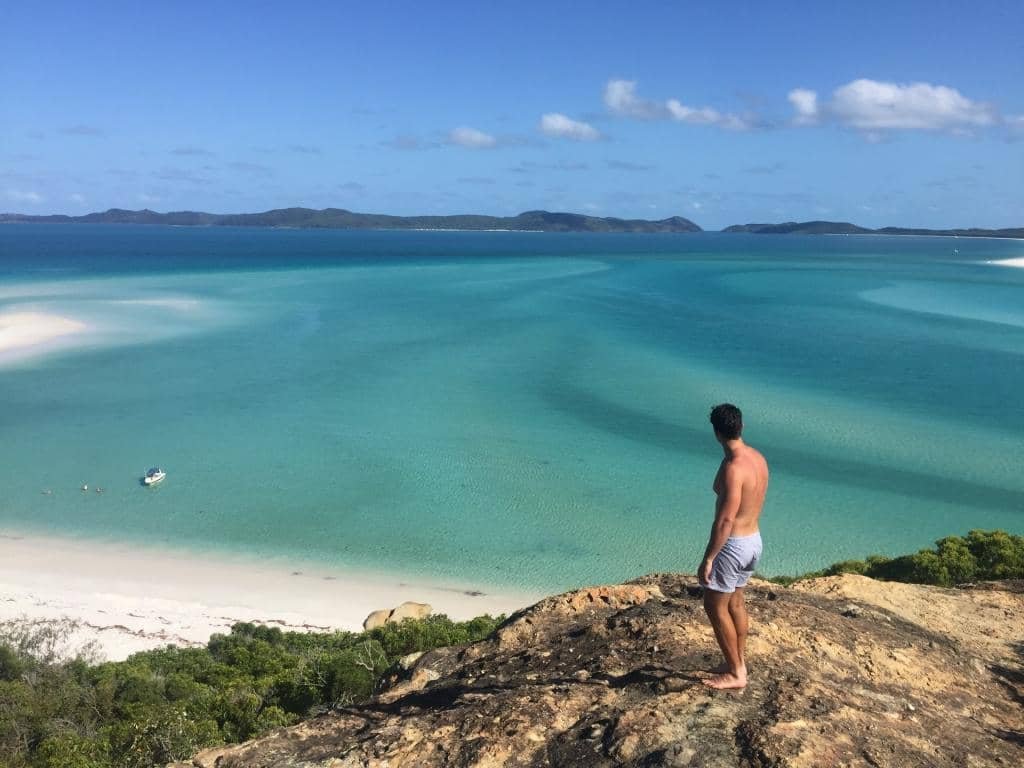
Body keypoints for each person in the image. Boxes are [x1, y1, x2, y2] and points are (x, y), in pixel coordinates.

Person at [699, 403, 769, 690]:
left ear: (716, 432)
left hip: (733, 544)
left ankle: (736, 672)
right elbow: (719, 487)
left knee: (715, 606)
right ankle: (737, 660)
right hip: (754, 540)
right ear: (741, 427)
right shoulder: (756, 458)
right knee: (736, 602)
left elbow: (726, 519)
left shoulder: (733, 468)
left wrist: (709, 557)